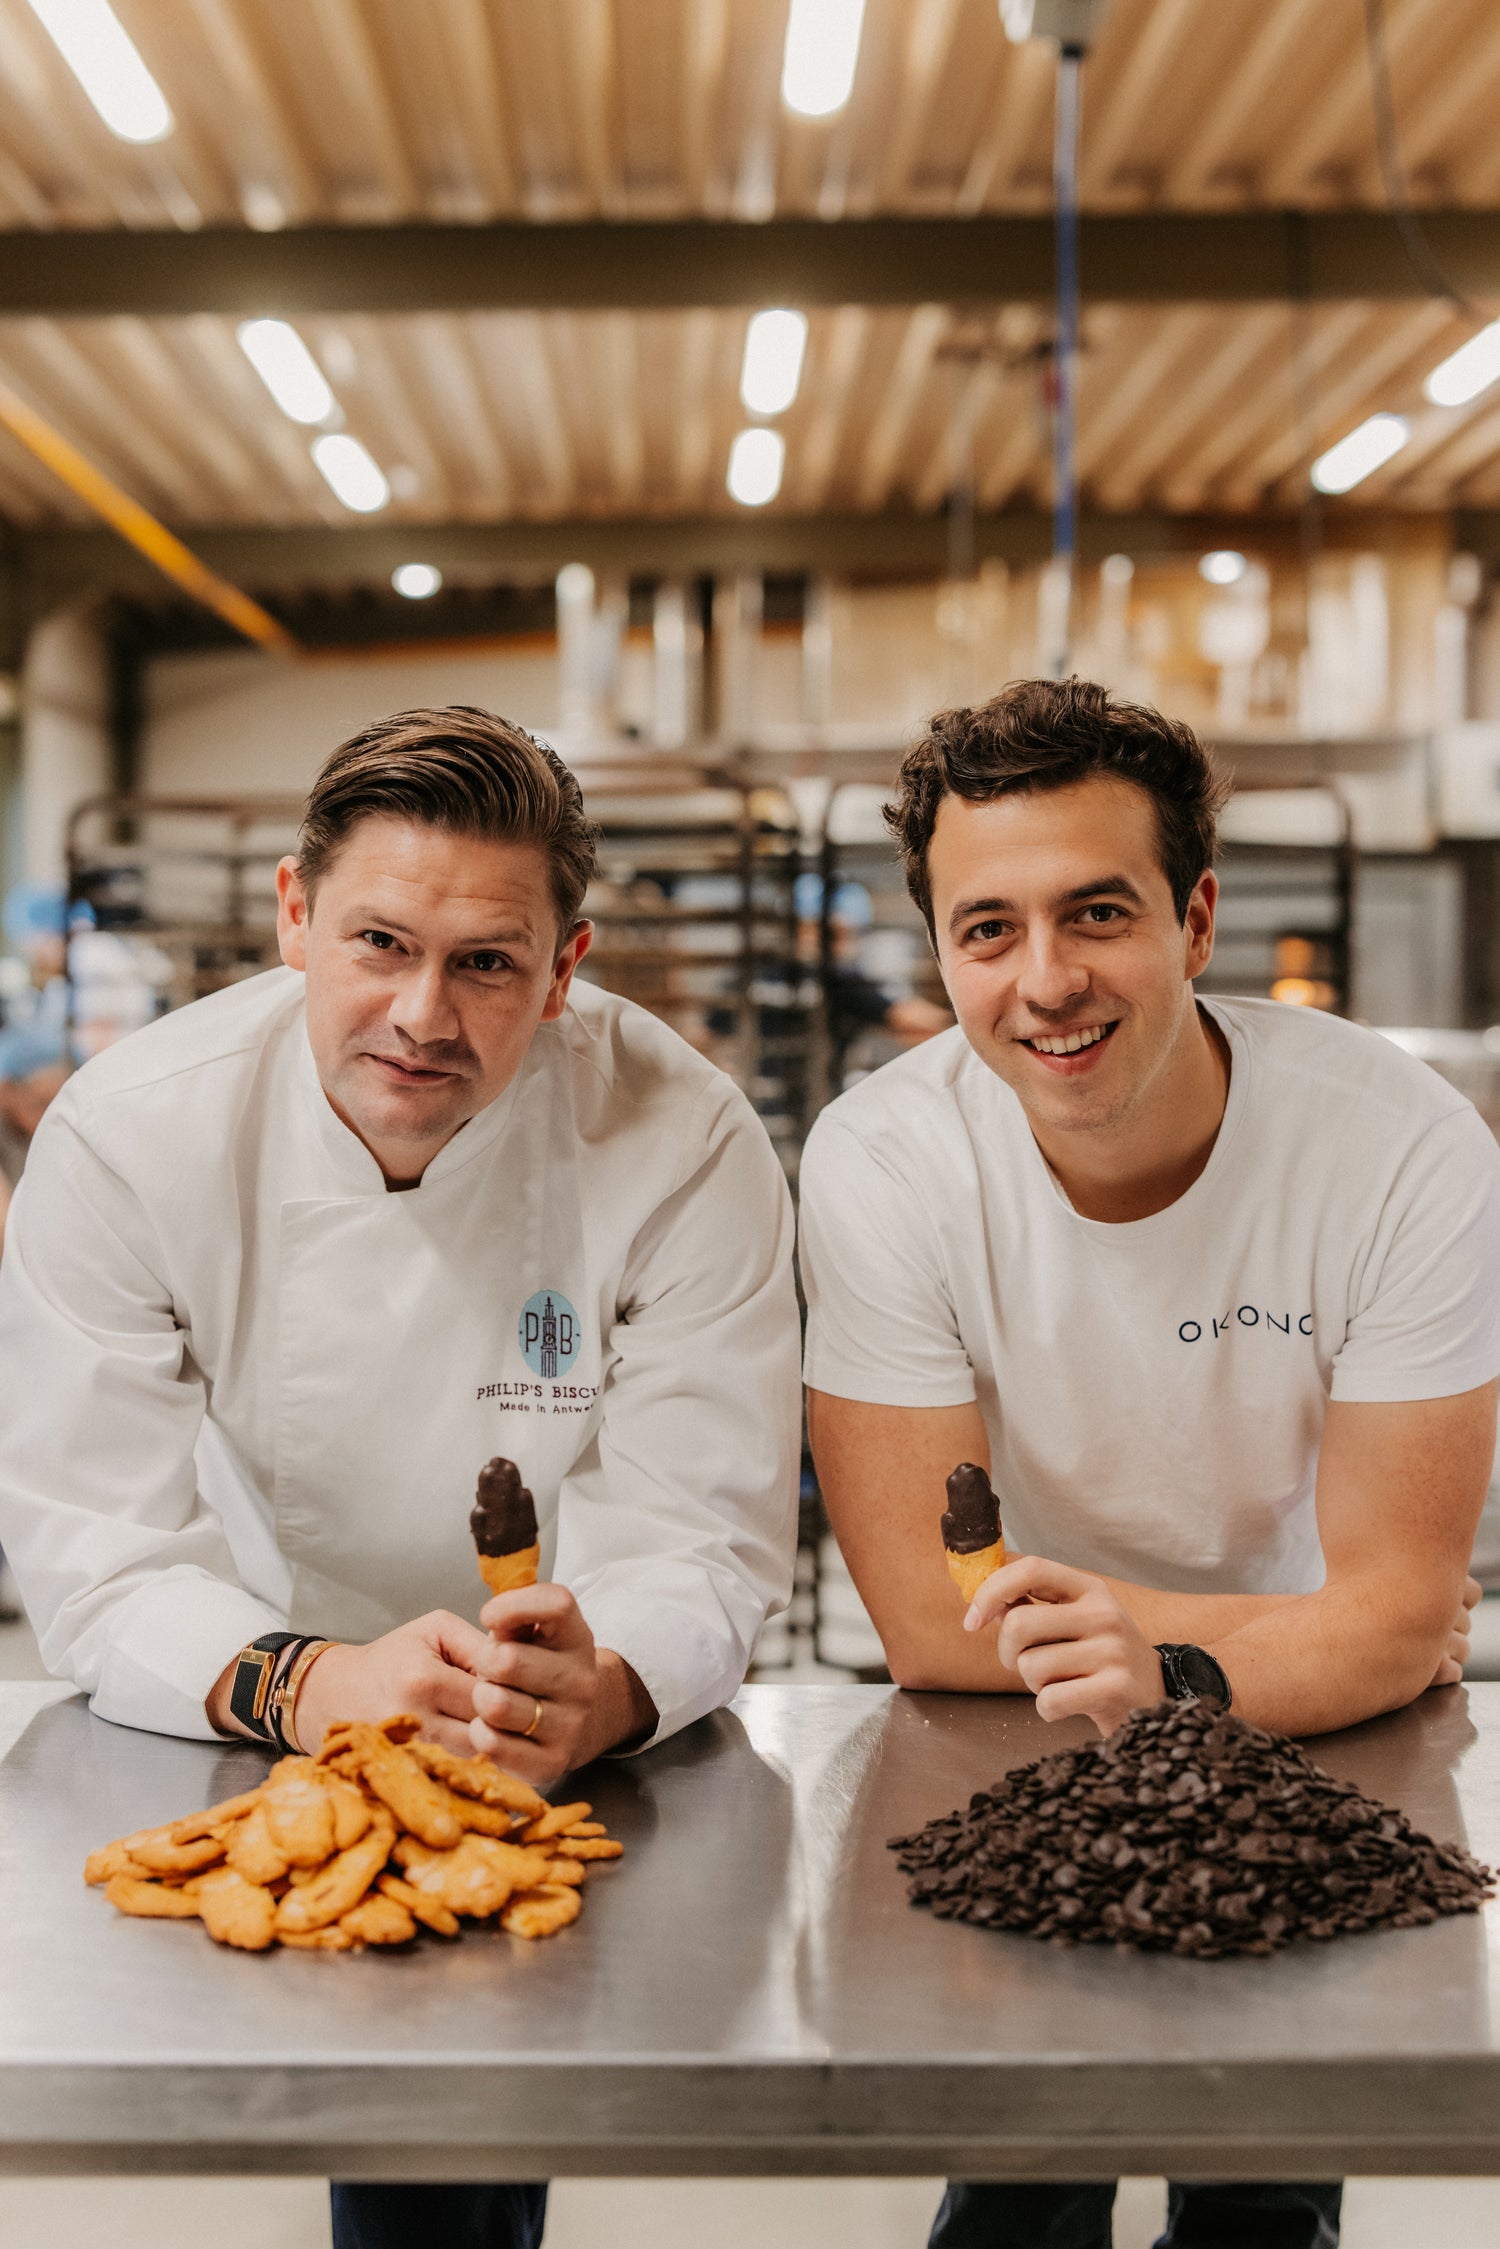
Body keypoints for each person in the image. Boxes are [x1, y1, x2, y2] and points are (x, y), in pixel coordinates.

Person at [0, 706, 801, 2249]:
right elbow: (97, 1547)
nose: (422, 1013)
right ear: (295, 916)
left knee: (462, 2135)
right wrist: (309, 1681)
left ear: (566, 970)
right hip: (254, 1658)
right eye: (379, 940)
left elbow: (703, 1522)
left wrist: (616, 1676)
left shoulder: (683, 1139)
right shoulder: (136, 1136)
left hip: (561, 1689)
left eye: (488, 962)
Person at [799, 676, 1500, 2249]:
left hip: (1320, 1748)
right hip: (1001, 1731)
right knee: (1019, 2190)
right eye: (987, 929)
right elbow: (923, 1619)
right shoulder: (886, 1162)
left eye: (1095, 912)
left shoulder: (1402, 1149)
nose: (1044, 981)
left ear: (1195, 920)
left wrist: (1174, 1662)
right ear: (939, 949)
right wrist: (1319, 1629)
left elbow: (1399, 1618)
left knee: (1261, 2197)